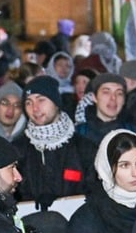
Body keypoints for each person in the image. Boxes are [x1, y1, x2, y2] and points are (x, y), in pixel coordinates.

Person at [12, 74, 93, 208]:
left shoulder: (83, 148)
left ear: (56, 103)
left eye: (41, 100)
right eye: (28, 102)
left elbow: (94, 193)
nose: (35, 108)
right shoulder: (18, 150)